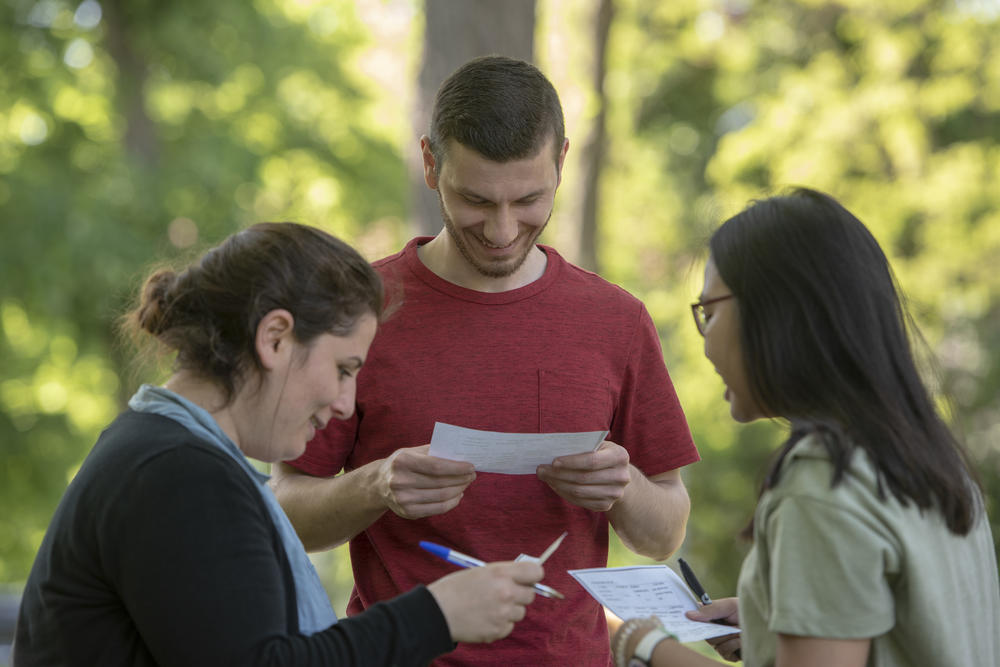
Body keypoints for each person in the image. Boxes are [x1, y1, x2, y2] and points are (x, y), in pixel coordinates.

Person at [271, 56, 700, 666]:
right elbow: (283, 510)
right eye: (474, 200)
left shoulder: (616, 320)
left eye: (529, 200)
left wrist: (623, 486)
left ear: (563, 162)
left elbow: (666, 533)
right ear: (429, 164)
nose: (501, 230)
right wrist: (375, 485)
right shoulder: (355, 309)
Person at [12, 222, 547, 666]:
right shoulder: (178, 474)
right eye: (342, 369)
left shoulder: (165, 453)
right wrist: (435, 615)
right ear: (274, 338)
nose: (344, 403)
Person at [610, 188, 1000, 667]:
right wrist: (770, 624)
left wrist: (641, 644)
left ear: (776, 313)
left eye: (709, 313)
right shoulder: (925, 455)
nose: (706, 343)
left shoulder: (824, 479)